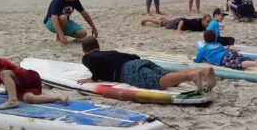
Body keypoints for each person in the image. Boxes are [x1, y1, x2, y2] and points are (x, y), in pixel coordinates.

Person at [79, 37, 216, 93]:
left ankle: (192, 76)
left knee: (160, 83)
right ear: (98, 46)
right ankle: (203, 70)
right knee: (170, 78)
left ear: (85, 50)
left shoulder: (88, 57)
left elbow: (93, 62)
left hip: (127, 70)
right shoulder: (110, 52)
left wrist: (93, 78)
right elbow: (134, 56)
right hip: (140, 62)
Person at [0, 44, 68, 110]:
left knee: (4, 74)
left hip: (30, 78)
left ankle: (12, 100)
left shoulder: (2, 63)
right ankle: (59, 97)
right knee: (28, 98)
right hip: (24, 88)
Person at [192, 31, 257, 72]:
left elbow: (198, 60)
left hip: (223, 58)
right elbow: (223, 49)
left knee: (238, 64)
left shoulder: (204, 49)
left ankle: (254, 64)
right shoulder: (218, 44)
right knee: (246, 59)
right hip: (229, 52)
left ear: (205, 40)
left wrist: (192, 58)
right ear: (215, 39)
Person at [141, 14, 211, 32]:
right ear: (203, 20)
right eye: (207, 21)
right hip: (179, 22)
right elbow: (182, 22)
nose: (208, 23)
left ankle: (163, 16)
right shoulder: (196, 23)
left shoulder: (203, 24)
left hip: (180, 20)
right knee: (162, 24)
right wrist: (178, 30)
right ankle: (147, 18)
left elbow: (205, 28)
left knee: (170, 21)